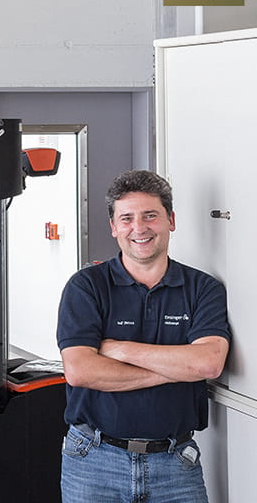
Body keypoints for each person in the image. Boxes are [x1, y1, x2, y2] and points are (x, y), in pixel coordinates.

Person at [56, 170, 229, 503]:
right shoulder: (87, 286)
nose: (139, 228)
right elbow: (80, 371)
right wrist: (175, 368)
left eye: (150, 215)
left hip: (175, 463)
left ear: (170, 220)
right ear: (113, 227)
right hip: (93, 459)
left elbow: (207, 364)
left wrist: (118, 349)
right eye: (127, 218)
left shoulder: (203, 288)